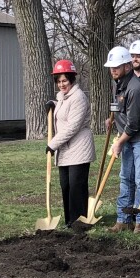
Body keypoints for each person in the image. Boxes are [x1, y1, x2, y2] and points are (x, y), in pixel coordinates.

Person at [104, 46, 140, 233]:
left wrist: (119, 142)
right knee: (125, 177)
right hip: (127, 134)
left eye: (117, 67)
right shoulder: (117, 83)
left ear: (127, 66)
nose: (113, 70)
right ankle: (123, 219)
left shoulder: (135, 88)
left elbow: (134, 124)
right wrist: (112, 119)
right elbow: (119, 107)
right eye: (111, 67)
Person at [45, 59, 96, 226]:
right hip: (65, 149)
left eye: (64, 80)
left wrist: (52, 144)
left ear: (72, 79)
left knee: (76, 186)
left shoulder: (79, 97)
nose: (61, 84)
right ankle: (69, 220)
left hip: (79, 148)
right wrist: (53, 104)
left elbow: (72, 127)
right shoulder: (61, 97)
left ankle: (80, 220)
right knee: (65, 185)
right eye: (59, 81)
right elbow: (62, 112)